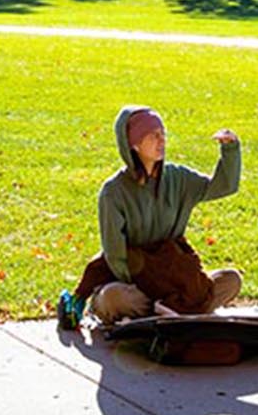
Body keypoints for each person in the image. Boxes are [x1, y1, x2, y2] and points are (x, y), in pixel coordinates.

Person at [62, 104, 244, 326]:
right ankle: (178, 310)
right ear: (134, 144)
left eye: (163, 134)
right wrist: (153, 284)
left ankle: (167, 312)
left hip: (173, 278)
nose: (162, 141)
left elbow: (222, 186)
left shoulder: (178, 178)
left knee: (231, 280)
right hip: (134, 282)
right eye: (153, 136)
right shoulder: (114, 192)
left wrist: (230, 150)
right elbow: (115, 254)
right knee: (112, 299)